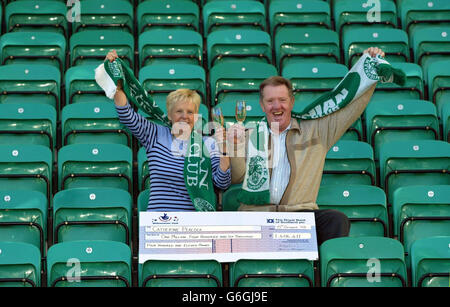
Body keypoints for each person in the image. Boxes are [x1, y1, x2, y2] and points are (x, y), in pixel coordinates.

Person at [226, 47, 386, 246]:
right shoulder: (250, 134)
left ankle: (323, 276)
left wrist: (369, 69)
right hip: (257, 217)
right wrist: (234, 147)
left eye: (282, 100)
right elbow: (236, 178)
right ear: (261, 105)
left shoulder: (316, 131)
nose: (277, 106)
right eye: (270, 101)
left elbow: (350, 106)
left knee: (336, 220)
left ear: (292, 102)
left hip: (298, 217)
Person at [105, 50, 231, 211]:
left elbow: (222, 184)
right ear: (170, 115)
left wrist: (225, 153)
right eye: (179, 111)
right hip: (160, 222)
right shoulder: (155, 134)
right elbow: (126, 115)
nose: (185, 116)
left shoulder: (209, 144)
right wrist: (116, 78)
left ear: (197, 117)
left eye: (190, 112)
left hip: (195, 226)